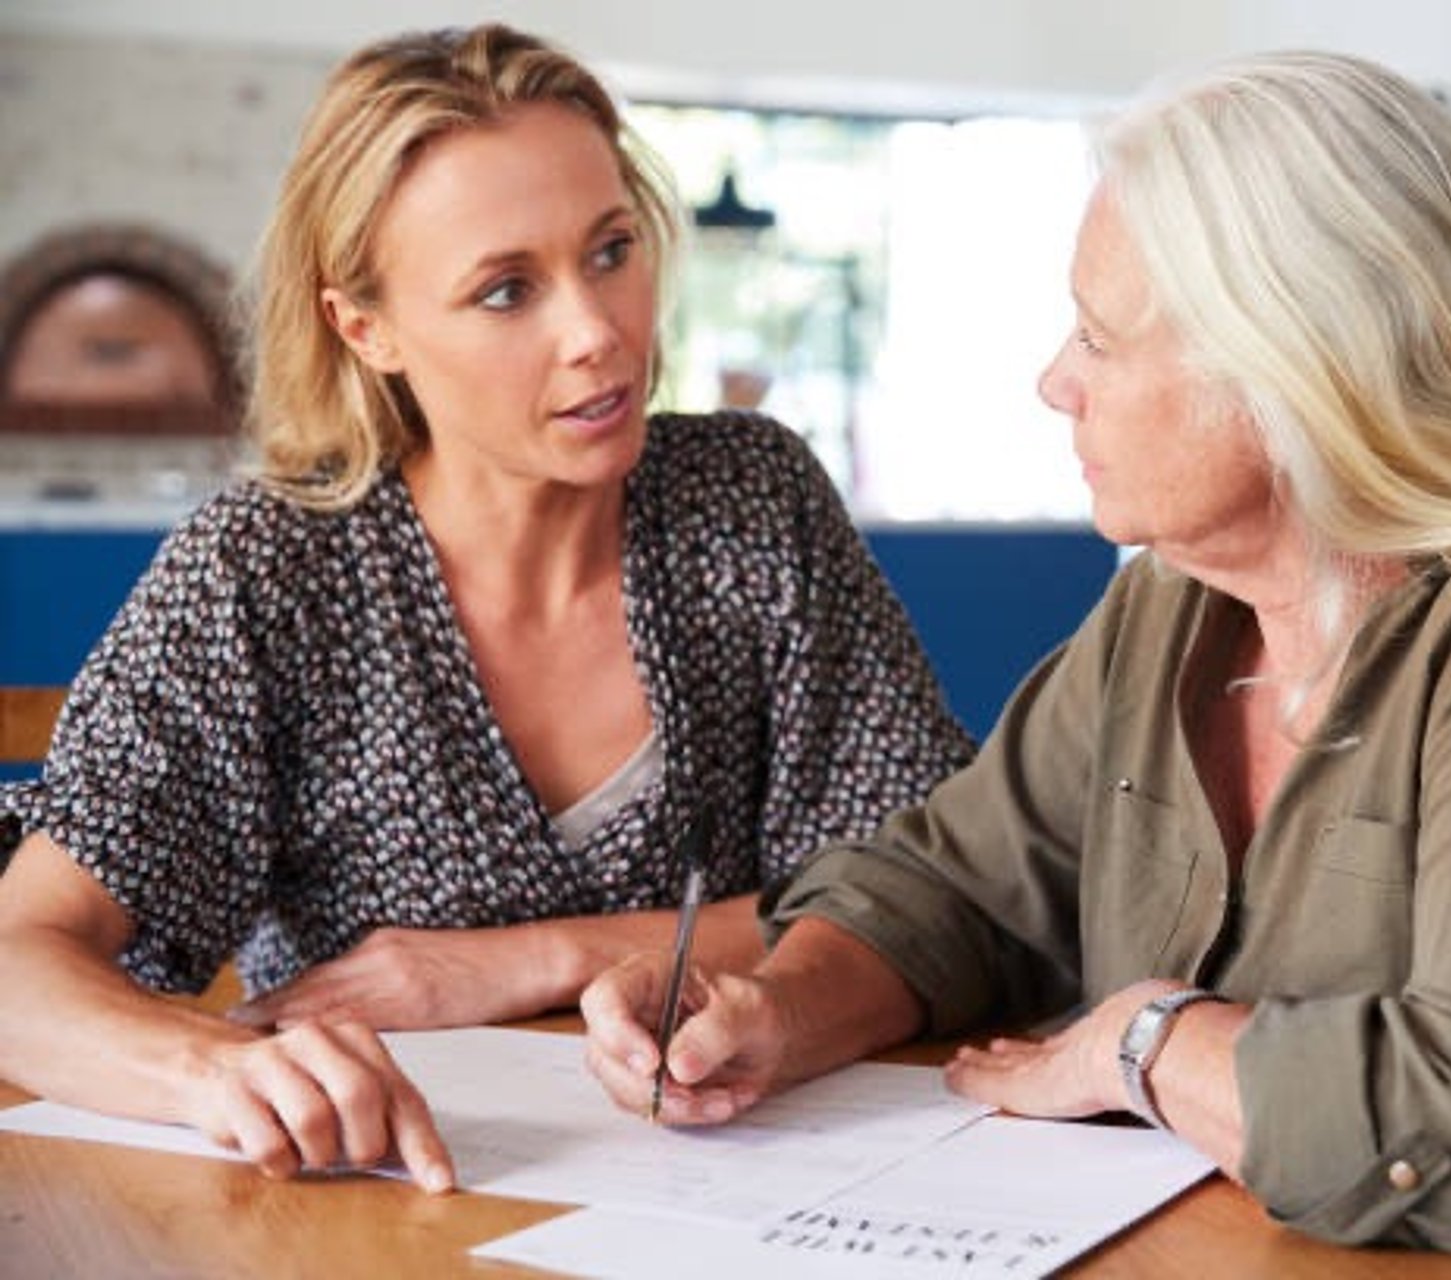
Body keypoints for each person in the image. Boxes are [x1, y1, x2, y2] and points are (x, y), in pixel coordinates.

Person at [580, 50, 1451, 1276]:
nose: (1056, 382)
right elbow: (959, 891)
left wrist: (1145, 1041)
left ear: (1288, 365)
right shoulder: (1173, 611)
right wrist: (776, 1009)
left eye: (1098, 335)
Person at [0, 24, 970, 1195]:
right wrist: (211, 1074)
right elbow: (19, 959)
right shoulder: (265, 572)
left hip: (764, 1192)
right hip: (381, 1217)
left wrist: (522, 961)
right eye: (507, 290)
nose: (596, 331)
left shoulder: (751, 502)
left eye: (611, 250)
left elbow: (934, 892)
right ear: (369, 328)